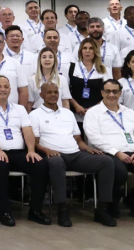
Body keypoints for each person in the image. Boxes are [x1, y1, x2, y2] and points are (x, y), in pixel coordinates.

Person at [30, 82, 116, 227]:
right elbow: (35, 142)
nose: (53, 95)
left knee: (106, 161)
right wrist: (47, 150)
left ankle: (102, 210)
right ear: (41, 95)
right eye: (49, 92)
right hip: (53, 155)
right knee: (56, 163)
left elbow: (78, 140)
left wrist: (87, 148)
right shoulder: (35, 115)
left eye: (55, 92)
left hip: (75, 154)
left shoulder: (68, 113)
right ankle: (62, 210)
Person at [82, 79, 134, 220]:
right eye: (108, 91)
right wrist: (117, 153)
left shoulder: (130, 113)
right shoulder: (93, 113)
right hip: (108, 153)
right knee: (119, 173)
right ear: (102, 93)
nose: (111, 95)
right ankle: (111, 202)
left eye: (115, 91)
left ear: (120, 93)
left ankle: (133, 199)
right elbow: (94, 138)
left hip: (133, 152)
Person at [0, 76, 45, 227]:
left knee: (40, 165)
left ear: (10, 90)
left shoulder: (19, 109)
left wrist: (31, 150)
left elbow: (28, 131)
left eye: (6, 87)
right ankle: (5, 212)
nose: (2, 89)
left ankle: (35, 211)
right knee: (0, 166)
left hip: (18, 152)